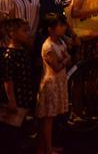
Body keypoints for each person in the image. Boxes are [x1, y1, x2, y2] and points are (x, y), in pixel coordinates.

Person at [36, 13, 70, 154]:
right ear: (51, 29)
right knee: (48, 119)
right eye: (60, 25)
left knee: (52, 118)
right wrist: (66, 59)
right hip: (50, 86)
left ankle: (47, 147)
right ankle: (47, 149)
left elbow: (64, 60)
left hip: (59, 83)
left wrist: (65, 59)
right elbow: (56, 66)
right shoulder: (48, 46)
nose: (64, 28)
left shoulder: (61, 42)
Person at [0, 17, 36, 148]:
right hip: (16, 100)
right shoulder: (9, 55)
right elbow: (8, 80)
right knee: (11, 134)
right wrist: (11, 100)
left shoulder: (23, 51)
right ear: (12, 33)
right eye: (24, 31)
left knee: (20, 130)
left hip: (24, 98)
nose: (28, 34)